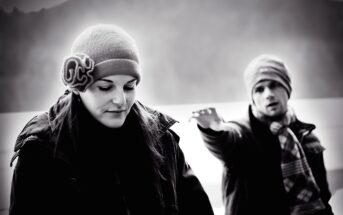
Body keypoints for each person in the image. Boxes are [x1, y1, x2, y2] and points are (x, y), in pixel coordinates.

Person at [9, 24, 214, 215]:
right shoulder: (42, 150)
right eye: (105, 87)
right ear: (78, 88)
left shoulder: (162, 140)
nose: (120, 100)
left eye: (129, 86)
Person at [191, 54, 333, 215]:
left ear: (288, 89)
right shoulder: (241, 134)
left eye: (274, 85)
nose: (268, 94)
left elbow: (323, 199)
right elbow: (225, 142)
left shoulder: (306, 137)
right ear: (253, 98)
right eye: (259, 89)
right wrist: (213, 129)